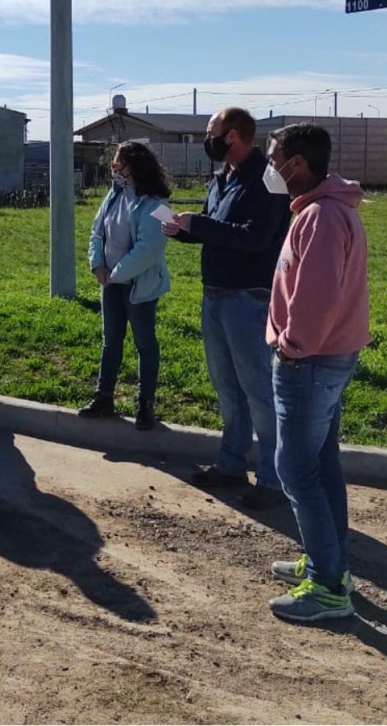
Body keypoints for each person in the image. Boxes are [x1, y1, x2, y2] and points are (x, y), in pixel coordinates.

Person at [262, 123, 370, 622]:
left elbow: (318, 294)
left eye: (274, 158)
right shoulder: (322, 210)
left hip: (310, 361)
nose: (271, 168)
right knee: (321, 462)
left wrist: (292, 348)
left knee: (296, 468)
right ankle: (328, 559)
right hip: (326, 357)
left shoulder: (322, 217)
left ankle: (329, 587)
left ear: (297, 164)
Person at [161, 107, 290, 508]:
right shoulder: (223, 178)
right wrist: (184, 231)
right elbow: (220, 231)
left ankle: (271, 480)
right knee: (227, 387)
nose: (207, 139)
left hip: (247, 298)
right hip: (215, 294)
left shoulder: (269, 180)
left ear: (233, 135)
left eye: (211, 131)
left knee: (258, 391)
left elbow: (254, 237)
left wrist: (197, 224)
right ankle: (232, 462)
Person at [79, 141, 171, 431]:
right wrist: (98, 265)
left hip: (138, 287)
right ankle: (103, 397)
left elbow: (149, 249)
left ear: (134, 167)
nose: (113, 169)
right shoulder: (114, 194)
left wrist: (116, 273)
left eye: (118, 164)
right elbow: (97, 232)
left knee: (145, 344)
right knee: (111, 342)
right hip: (111, 284)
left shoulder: (159, 205)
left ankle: (146, 405)